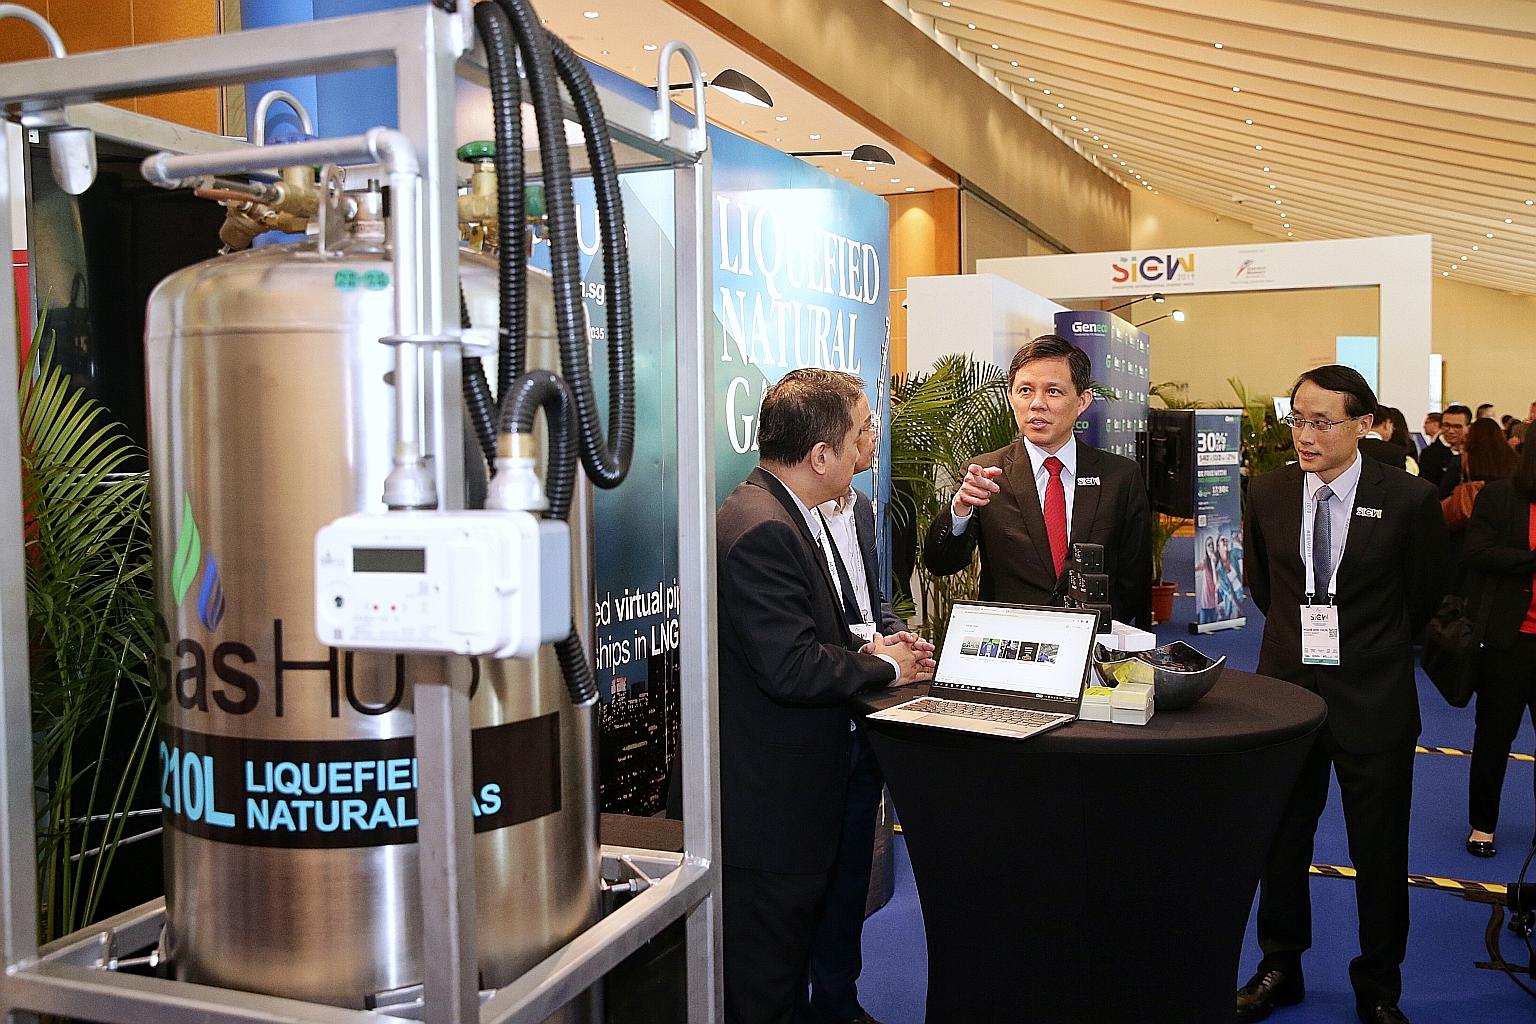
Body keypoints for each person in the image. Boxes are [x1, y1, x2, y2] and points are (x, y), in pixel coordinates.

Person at [716, 368, 934, 1024]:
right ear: (820, 455)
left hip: (793, 796)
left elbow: (810, 634)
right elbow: (790, 667)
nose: (872, 441)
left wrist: (870, 649)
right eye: (863, 429)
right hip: (770, 807)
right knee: (767, 982)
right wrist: (885, 667)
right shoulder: (763, 528)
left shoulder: (779, 511)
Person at [1238, 365, 1448, 1024]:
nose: (1305, 435)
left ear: (1365, 425)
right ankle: (1280, 966)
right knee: (1281, 840)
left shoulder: (1410, 499)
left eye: (1323, 422)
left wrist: (1367, 645)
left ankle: (1379, 986)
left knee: (1378, 851)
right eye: (1297, 420)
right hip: (1287, 694)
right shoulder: (1267, 492)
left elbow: (1423, 595)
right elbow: (1263, 586)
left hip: (1374, 697)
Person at [923, 334, 1151, 627]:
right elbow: (941, 563)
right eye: (1025, 391)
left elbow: (1134, 582)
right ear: (1011, 396)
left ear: (1082, 401)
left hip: (1092, 640)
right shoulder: (985, 473)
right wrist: (960, 509)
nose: (1037, 404)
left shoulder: (1119, 477)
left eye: (1053, 391)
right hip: (1011, 641)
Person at [800, 412, 909, 1024]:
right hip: (816, 729)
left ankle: (840, 1002)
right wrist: (876, 656)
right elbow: (807, 642)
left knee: (850, 881)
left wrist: (898, 638)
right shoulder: (790, 519)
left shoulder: (863, 509)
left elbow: (871, 602)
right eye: (865, 427)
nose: (875, 438)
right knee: (806, 884)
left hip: (865, 721)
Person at [1461, 438, 1536, 859]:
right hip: (1508, 641)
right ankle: (1483, 825)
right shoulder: (1500, 496)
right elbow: (1477, 551)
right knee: (1494, 737)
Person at [1440, 418, 1517, 533]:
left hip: (1469, 522)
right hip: (1506, 519)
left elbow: (1443, 491)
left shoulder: (1463, 460)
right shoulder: (1513, 459)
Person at [1418, 404, 1469, 490]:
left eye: (1457, 427)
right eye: (1446, 425)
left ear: (1468, 427)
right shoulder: (1430, 454)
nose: (1451, 431)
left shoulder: (1475, 452)